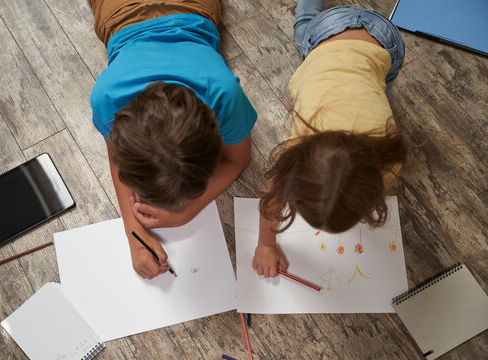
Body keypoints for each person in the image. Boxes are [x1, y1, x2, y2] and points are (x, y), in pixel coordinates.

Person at [89, 0, 257, 279]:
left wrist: (186, 212)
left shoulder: (225, 96)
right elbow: (117, 157)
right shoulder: (106, 100)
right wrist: (133, 233)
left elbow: (239, 158)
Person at [252, 0, 408, 278]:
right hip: (358, 36)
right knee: (306, 29)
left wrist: (267, 243)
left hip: (378, 40)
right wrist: (265, 244)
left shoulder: (388, 154)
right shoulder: (302, 148)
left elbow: (272, 200)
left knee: (374, 81)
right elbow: (271, 202)